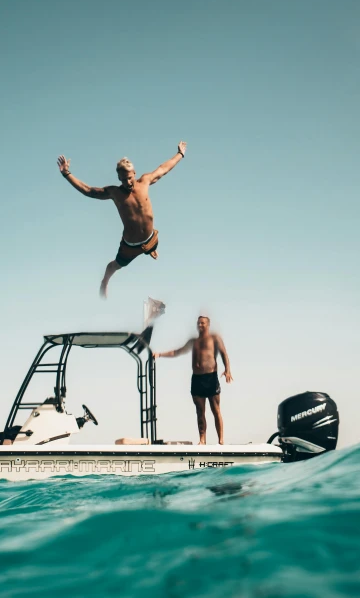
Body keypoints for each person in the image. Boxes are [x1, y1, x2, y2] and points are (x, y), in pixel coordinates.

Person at [56, 142, 187, 298]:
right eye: (123, 179)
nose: (128, 182)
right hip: (130, 246)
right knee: (115, 266)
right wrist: (66, 173)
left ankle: (150, 249)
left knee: (152, 245)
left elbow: (163, 169)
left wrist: (180, 154)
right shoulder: (114, 192)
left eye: (130, 178)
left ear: (135, 173)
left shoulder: (145, 181)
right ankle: (105, 281)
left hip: (151, 238)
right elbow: (88, 191)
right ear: (119, 178)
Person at [154, 316, 233, 445]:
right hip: (197, 379)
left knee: (216, 410)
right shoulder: (193, 341)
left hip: (211, 377)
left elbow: (224, 353)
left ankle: (221, 440)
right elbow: (177, 352)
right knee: (200, 411)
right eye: (198, 323)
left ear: (208, 324)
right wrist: (160, 354)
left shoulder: (215, 338)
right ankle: (202, 440)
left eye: (202, 323)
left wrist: (228, 370)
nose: (200, 325)